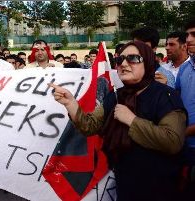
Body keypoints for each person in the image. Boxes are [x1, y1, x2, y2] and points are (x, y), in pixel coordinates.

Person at [50, 41, 186, 201]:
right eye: (120, 59)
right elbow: (89, 126)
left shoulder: (165, 96)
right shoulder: (116, 96)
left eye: (133, 59)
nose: (124, 64)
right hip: (125, 183)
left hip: (159, 185)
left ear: (148, 62)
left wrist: (132, 120)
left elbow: (173, 141)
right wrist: (71, 103)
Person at [176, 19, 195, 201]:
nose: (188, 39)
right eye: (187, 34)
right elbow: (177, 105)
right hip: (183, 147)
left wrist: (180, 133)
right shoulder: (184, 69)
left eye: (194, 34)